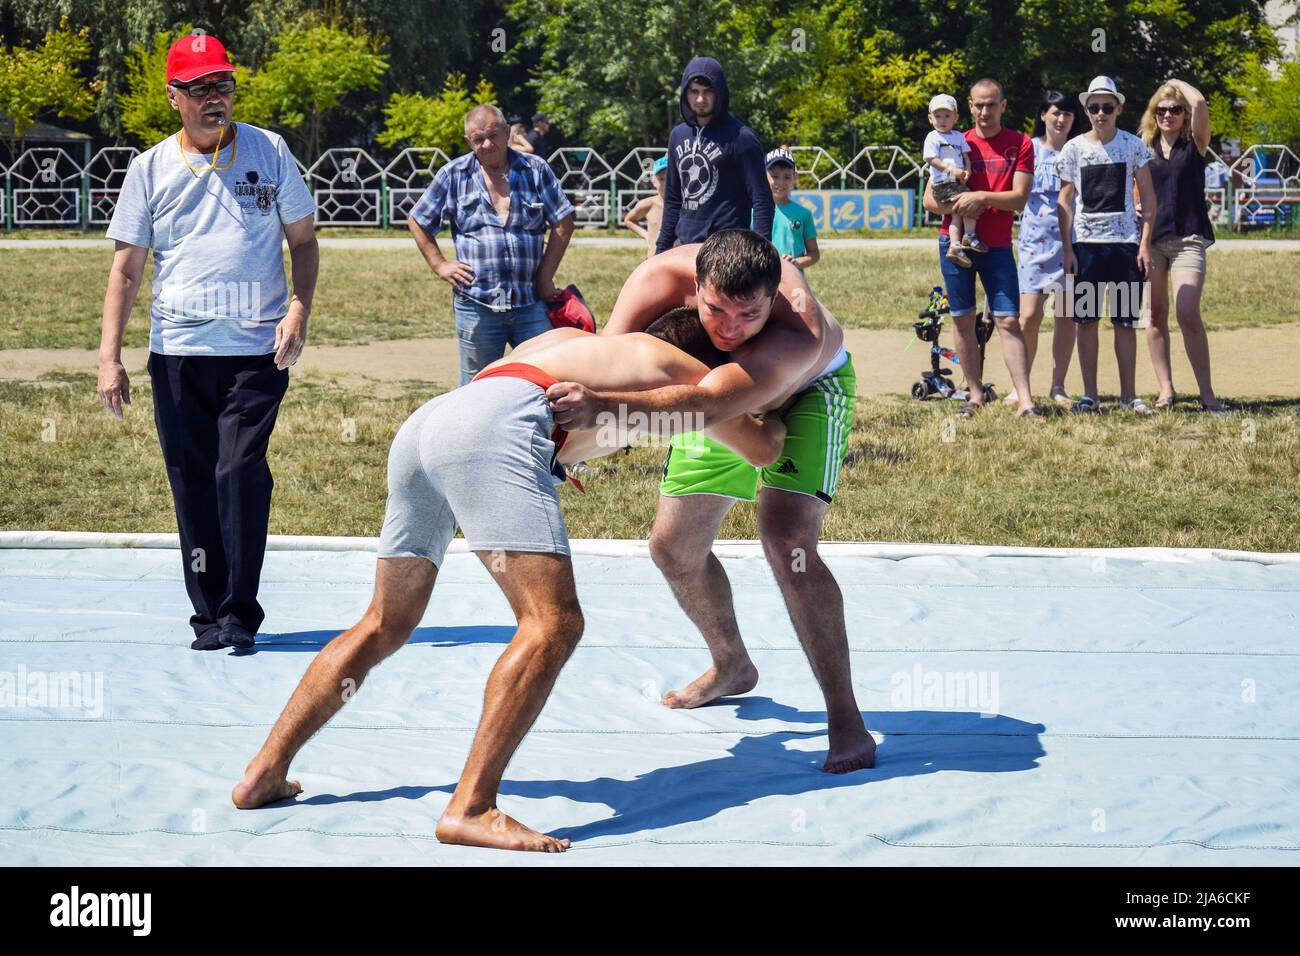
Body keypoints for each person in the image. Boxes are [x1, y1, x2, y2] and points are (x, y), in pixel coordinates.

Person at [231, 311, 786, 853]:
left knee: (384, 623)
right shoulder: (687, 372)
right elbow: (763, 448)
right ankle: (470, 808)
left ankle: (264, 773)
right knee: (553, 623)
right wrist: (783, 403)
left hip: (432, 422)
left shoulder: (581, 343)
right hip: (492, 430)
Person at [556, 229, 875, 774]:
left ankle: (846, 719)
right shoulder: (656, 278)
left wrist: (606, 407)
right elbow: (607, 356)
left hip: (801, 395)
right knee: (673, 547)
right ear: (696, 284)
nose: (730, 328)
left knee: (786, 540)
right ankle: (732, 666)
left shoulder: (801, 330)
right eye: (715, 310)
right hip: (705, 399)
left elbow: (707, 405)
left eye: (749, 315)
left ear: (773, 299)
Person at [97, 32, 318, 652]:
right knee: (192, 479)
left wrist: (298, 307)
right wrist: (109, 357)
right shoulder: (150, 169)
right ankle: (209, 616)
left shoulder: (269, 151)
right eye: (201, 89)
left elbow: (302, 240)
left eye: (223, 84)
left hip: (255, 351)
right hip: (177, 354)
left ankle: (240, 612)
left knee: (239, 469)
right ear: (175, 98)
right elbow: (126, 269)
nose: (216, 98)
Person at [407, 104, 575, 384]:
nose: (487, 144)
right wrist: (440, 264)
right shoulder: (454, 174)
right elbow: (418, 220)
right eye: (478, 139)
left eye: (493, 135)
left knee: (545, 383)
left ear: (507, 132)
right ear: (468, 142)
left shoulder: (536, 170)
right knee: (476, 388)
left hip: (529, 302)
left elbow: (563, 221)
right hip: (477, 303)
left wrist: (545, 277)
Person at [922, 78, 1037, 418]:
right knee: (962, 320)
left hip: (997, 246)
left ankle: (1026, 400)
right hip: (954, 243)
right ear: (969, 108)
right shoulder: (953, 140)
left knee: (1009, 320)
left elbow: (1019, 199)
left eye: (991, 104)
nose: (984, 111)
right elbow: (930, 200)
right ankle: (974, 395)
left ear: (1003, 105)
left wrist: (981, 198)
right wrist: (959, 206)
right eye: (978, 105)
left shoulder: (1020, 143)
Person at [1056, 75, 1158, 415]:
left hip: (1124, 246)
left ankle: (1129, 395)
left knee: (1125, 322)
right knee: (1085, 321)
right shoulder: (1073, 149)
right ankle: (1090, 396)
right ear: (1086, 109)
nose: (1101, 113)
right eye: (1094, 107)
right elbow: (1066, 201)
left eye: (1107, 107)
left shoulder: (1133, 146)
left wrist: (1144, 244)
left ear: (1119, 108)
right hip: (1086, 246)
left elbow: (1149, 197)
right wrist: (1068, 248)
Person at [1138, 79, 1225, 414]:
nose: (1168, 114)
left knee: (1187, 311)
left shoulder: (1196, 144)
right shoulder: (1143, 148)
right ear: (1153, 114)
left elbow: (1201, 102)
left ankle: (1208, 395)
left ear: (1185, 116)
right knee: (1155, 315)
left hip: (1189, 238)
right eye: (1161, 109)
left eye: (1175, 109)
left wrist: (1173, 84)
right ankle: (1165, 391)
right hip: (1153, 240)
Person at [656, 57, 774, 254]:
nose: (700, 99)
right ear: (685, 93)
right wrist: (661, 249)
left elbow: (761, 199)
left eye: (708, 91)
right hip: (685, 246)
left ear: (720, 92)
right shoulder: (678, 135)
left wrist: (762, 251)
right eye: (694, 91)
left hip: (728, 248)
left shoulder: (741, 137)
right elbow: (673, 200)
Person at [1008, 90, 1079, 408]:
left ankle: (1058, 385)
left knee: (1066, 315)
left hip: (1072, 243)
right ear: (1043, 115)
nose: (1061, 119)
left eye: (1067, 114)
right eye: (1055, 113)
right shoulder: (1029, 149)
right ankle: (1019, 387)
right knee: (1028, 316)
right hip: (1033, 243)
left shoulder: (1079, 151)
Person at [923, 93, 982, 267]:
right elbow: (931, 159)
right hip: (942, 181)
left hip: (955, 180)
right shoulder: (933, 137)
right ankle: (968, 237)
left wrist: (967, 171)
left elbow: (966, 157)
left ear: (955, 117)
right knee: (969, 204)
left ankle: (956, 246)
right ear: (930, 118)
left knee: (958, 213)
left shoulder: (958, 136)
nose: (942, 120)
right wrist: (952, 171)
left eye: (947, 116)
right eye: (937, 116)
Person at [755, 147, 819, 271]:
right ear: (763, 176)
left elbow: (814, 253)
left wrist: (797, 262)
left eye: (787, 177)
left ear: (795, 177)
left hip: (792, 282)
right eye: (775, 176)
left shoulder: (804, 214)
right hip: (761, 282)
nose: (781, 182)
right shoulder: (753, 212)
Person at [623, 155, 667, 257]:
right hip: (653, 259)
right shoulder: (648, 204)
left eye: (671, 178)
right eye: (661, 179)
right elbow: (629, 220)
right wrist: (647, 236)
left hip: (675, 261)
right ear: (653, 181)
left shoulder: (685, 205)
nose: (666, 183)